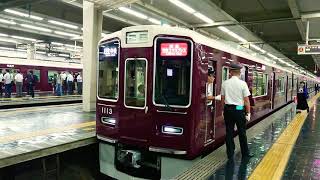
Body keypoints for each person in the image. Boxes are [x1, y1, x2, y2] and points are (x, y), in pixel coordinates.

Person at [221, 63, 252, 160]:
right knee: (242, 132)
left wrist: (223, 110)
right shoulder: (243, 84)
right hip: (239, 109)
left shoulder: (225, 83)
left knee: (229, 132)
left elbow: (223, 99)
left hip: (228, 110)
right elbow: (246, 101)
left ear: (230, 72)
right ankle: (245, 154)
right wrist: (248, 113)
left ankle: (230, 154)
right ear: (239, 72)